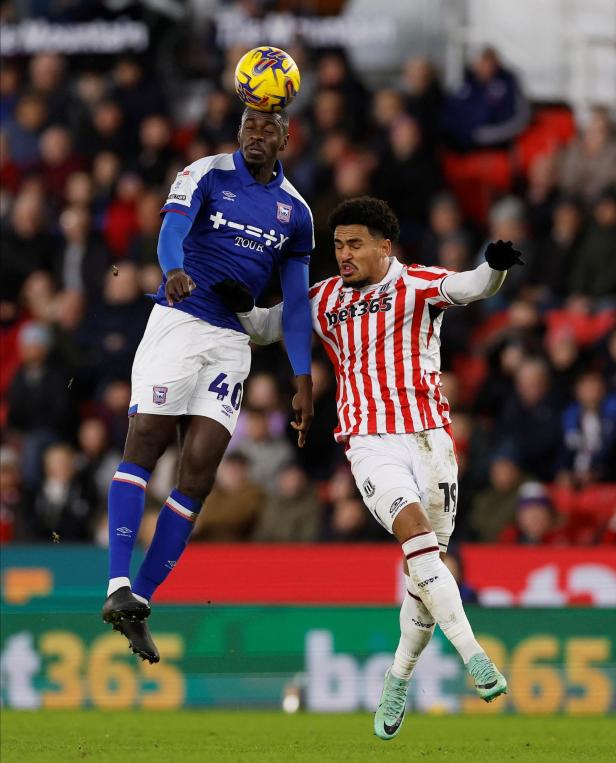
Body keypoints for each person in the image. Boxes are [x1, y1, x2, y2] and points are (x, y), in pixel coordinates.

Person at [214, 196, 522, 739]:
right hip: (369, 442)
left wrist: (494, 267)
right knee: (417, 538)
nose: (344, 255)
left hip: (431, 441)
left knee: (424, 577)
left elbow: (473, 286)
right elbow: (268, 328)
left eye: (355, 244)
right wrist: (243, 306)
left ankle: (397, 678)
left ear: (385, 245)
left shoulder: (419, 285)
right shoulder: (323, 298)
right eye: (337, 245)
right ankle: (476, 657)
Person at [101, 107, 315, 664]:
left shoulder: (296, 212)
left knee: (198, 475)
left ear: (287, 136)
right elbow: (170, 231)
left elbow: (294, 305)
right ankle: (115, 584)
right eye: (248, 125)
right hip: (181, 318)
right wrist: (172, 267)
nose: (256, 135)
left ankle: (139, 601)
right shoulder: (204, 173)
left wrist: (301, 376)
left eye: (268, 128)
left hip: (233, 343)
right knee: (145, 441)